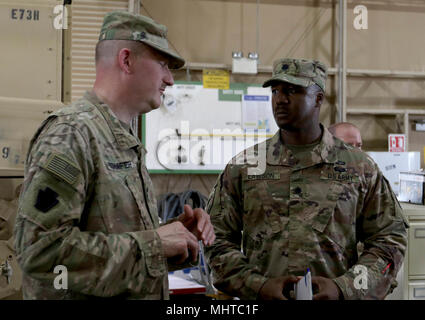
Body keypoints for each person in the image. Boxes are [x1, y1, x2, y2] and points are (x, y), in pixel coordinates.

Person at [14, 11, 215, 300]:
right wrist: (155, 244)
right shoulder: (72, 134)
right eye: (163, 64)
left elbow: (112, 241)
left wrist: (175, 237)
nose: (170, 79)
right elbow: (40, 252)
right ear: (126, 60)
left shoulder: (122, 139)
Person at [205, 58, 408, 300]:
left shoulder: (359, 167)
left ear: (318, 98)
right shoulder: (245, 166)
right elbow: (214, 238)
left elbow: (389, 240)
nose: (280, 99)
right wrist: (256, 285)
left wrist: (345, 288)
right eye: (275, 91)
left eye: (292, 90)